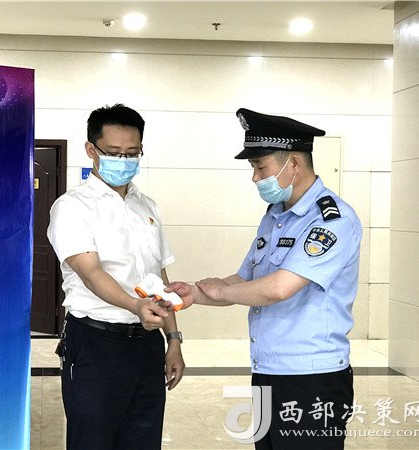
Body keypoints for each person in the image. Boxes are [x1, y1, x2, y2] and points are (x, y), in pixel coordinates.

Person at [168, 108, 361, 450]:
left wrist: (222, 291)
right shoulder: (276, 216)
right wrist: (196, 293)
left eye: (261, 167)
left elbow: (279, 288)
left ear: (294, 164)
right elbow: (246, 279)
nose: (255, 178)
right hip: (269, 370)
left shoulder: (331, 220)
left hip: (311, 378)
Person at [47, 103, 185, 450]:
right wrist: (135, 305)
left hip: (147, 343)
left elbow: (159, 276)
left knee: (143, 439)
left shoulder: (146, 206)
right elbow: (91, 274)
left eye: (132, 153)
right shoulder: (72, 207)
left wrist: (173, 339)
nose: (123, 161)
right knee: (92, 440)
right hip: (96, 343)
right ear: (91, 149)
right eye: (113, 152)